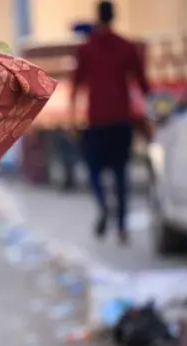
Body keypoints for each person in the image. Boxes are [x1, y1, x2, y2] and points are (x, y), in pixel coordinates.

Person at [70, 1, 151, 244]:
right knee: (120, 173)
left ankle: (104, 205)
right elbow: (143, 84)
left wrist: (73, 118)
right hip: (121, 120)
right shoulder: (126, 46)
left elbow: (77, 86)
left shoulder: (87, 48)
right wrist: (149, 115)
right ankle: (122, 226)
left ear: (98, 17)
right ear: (114, 17)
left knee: (94, 171)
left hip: (96, 120)